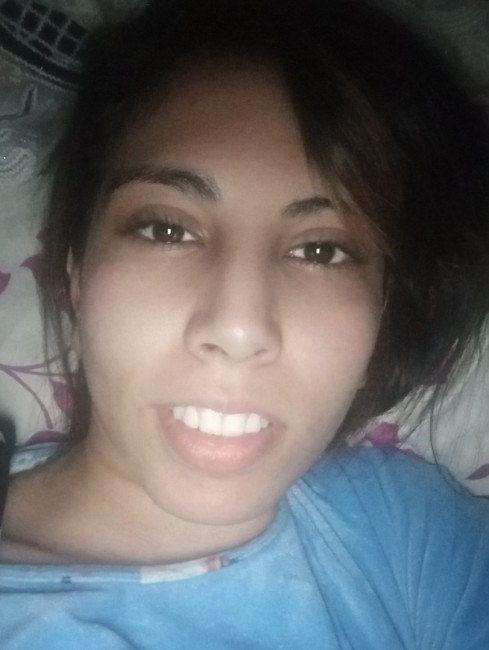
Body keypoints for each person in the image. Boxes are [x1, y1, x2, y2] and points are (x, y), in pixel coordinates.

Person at [0, 0, 489, 646]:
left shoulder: (403, 529)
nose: (238, 329)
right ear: (76, 274)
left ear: (382, 314)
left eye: (321, 250)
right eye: (166, 230)